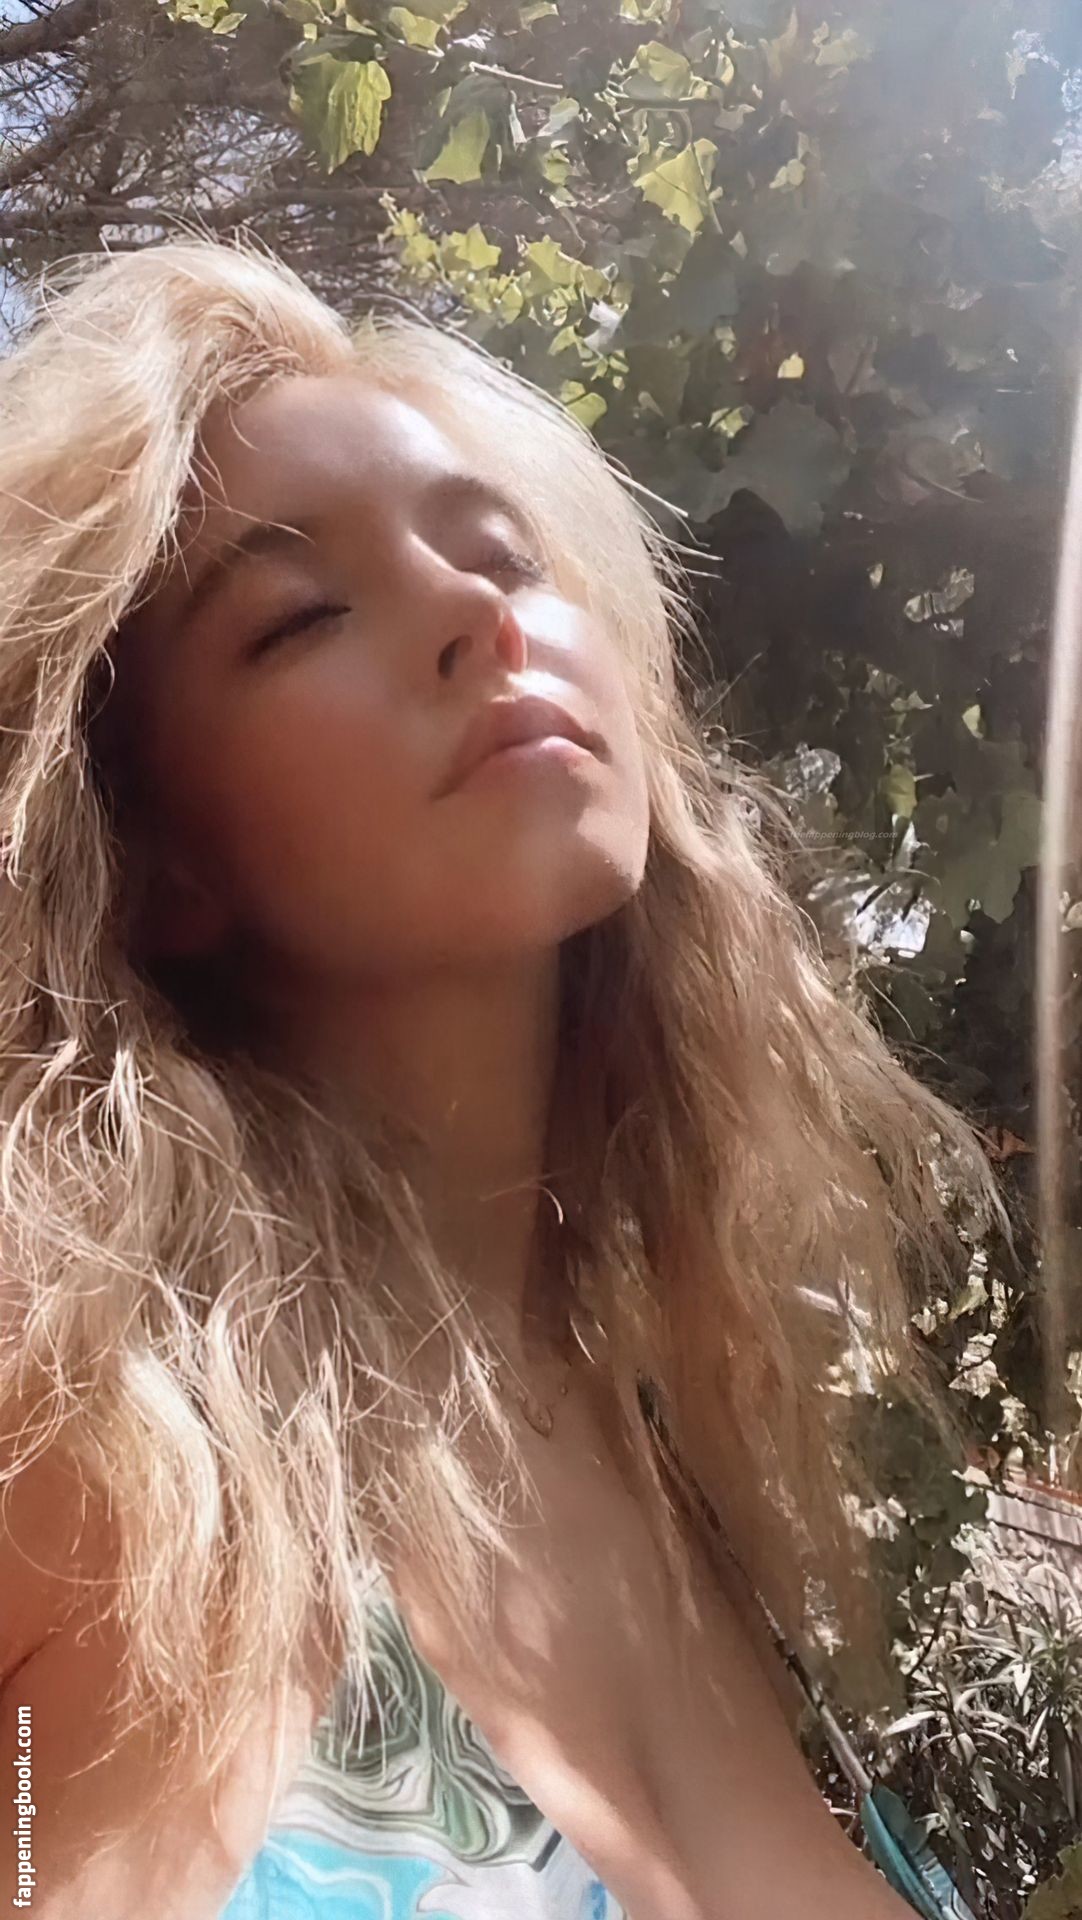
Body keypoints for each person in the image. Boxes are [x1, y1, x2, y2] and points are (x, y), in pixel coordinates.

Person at [0, 234, 1005, 1919]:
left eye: (505, 557)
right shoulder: (85, 1386)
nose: (479, 614)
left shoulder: (671, 1465)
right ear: (158, 858)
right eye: (301, 616)